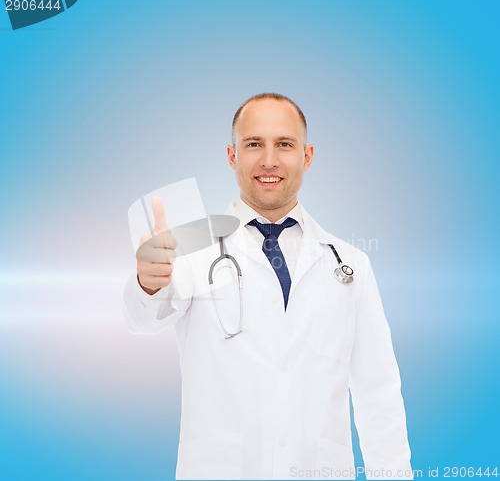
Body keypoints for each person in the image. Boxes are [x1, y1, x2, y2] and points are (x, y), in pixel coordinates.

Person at [123, 93, 413, 479]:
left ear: (307, 156)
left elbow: (378, 394)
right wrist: (148, 281)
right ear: (232, 156)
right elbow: (143, 319)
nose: (269, 160)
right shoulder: (191, 248)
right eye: (254, 144)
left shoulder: (349, 265)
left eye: (285, 144)